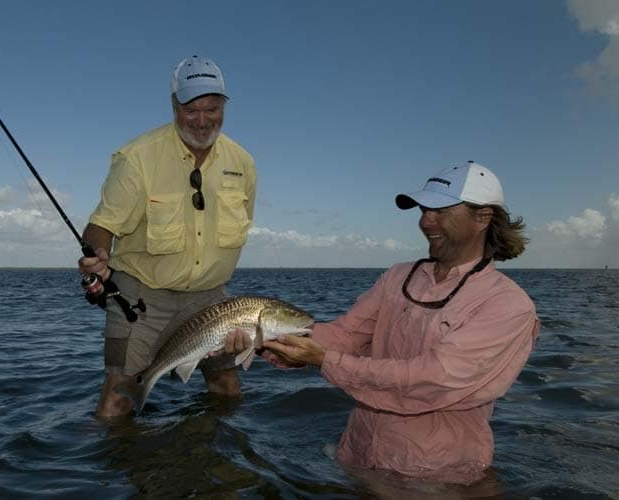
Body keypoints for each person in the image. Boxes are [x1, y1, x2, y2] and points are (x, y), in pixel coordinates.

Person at [263, 161, 539, 485]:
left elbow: (432, 379)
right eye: (423, 210)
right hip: (358, 455)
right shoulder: (398, 275)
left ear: (482, 217)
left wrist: (324, 361)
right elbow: (347, 333)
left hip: (434, 477)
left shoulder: (508, 305)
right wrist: (265, 336)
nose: (425, 221)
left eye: (440, 211)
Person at [79, 55, 257, 418]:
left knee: (227, 387)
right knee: (116, 401)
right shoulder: (137, 158)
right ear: (174, 104)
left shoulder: (243, 163)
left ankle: (222, 465)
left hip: (211, 301)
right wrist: (97, 255)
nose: (203, 120)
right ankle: (113, 471)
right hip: (142, 298)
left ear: (224, 105)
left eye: (212, 108)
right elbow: (102, 225)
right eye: (191, 110)